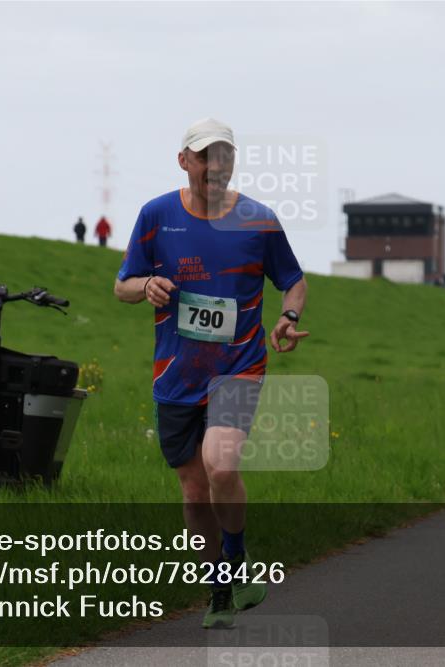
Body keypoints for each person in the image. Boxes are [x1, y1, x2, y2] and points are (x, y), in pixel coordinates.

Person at [113, 118, 308, 629]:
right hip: (176, 375)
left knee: (221, 465)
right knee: (195, 493)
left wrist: (288, 317)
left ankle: (237, 559)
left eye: (225, 156)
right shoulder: (156, 215)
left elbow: (293, 280)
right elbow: (122, 285)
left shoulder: (258, 221)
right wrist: (146, 286)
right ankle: (219, 589)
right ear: (184, 161)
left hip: (239, 366)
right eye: (205, 156)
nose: (215, 166)